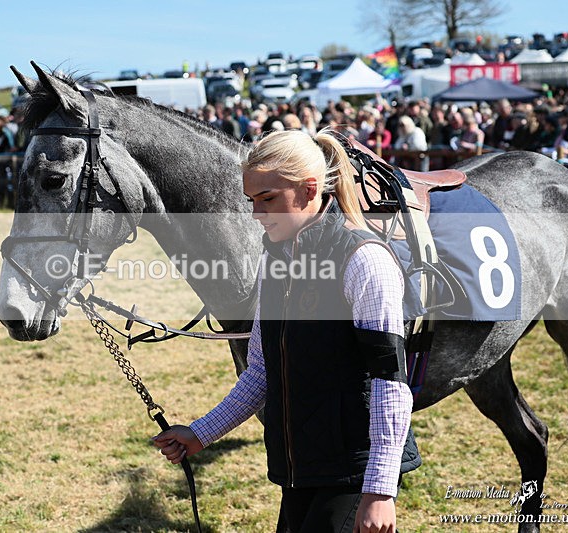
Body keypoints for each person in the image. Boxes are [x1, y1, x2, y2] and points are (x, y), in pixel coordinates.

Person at [152, 129, 420, 533]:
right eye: (252, 202)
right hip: (300, 470)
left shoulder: (364, 261)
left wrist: (380, 491)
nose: (257, 215)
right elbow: (260, 372)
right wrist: (198, 434)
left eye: (268, 200)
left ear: (310, 189)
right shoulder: (276, 261)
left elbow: (389, 380)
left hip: (355, 473)